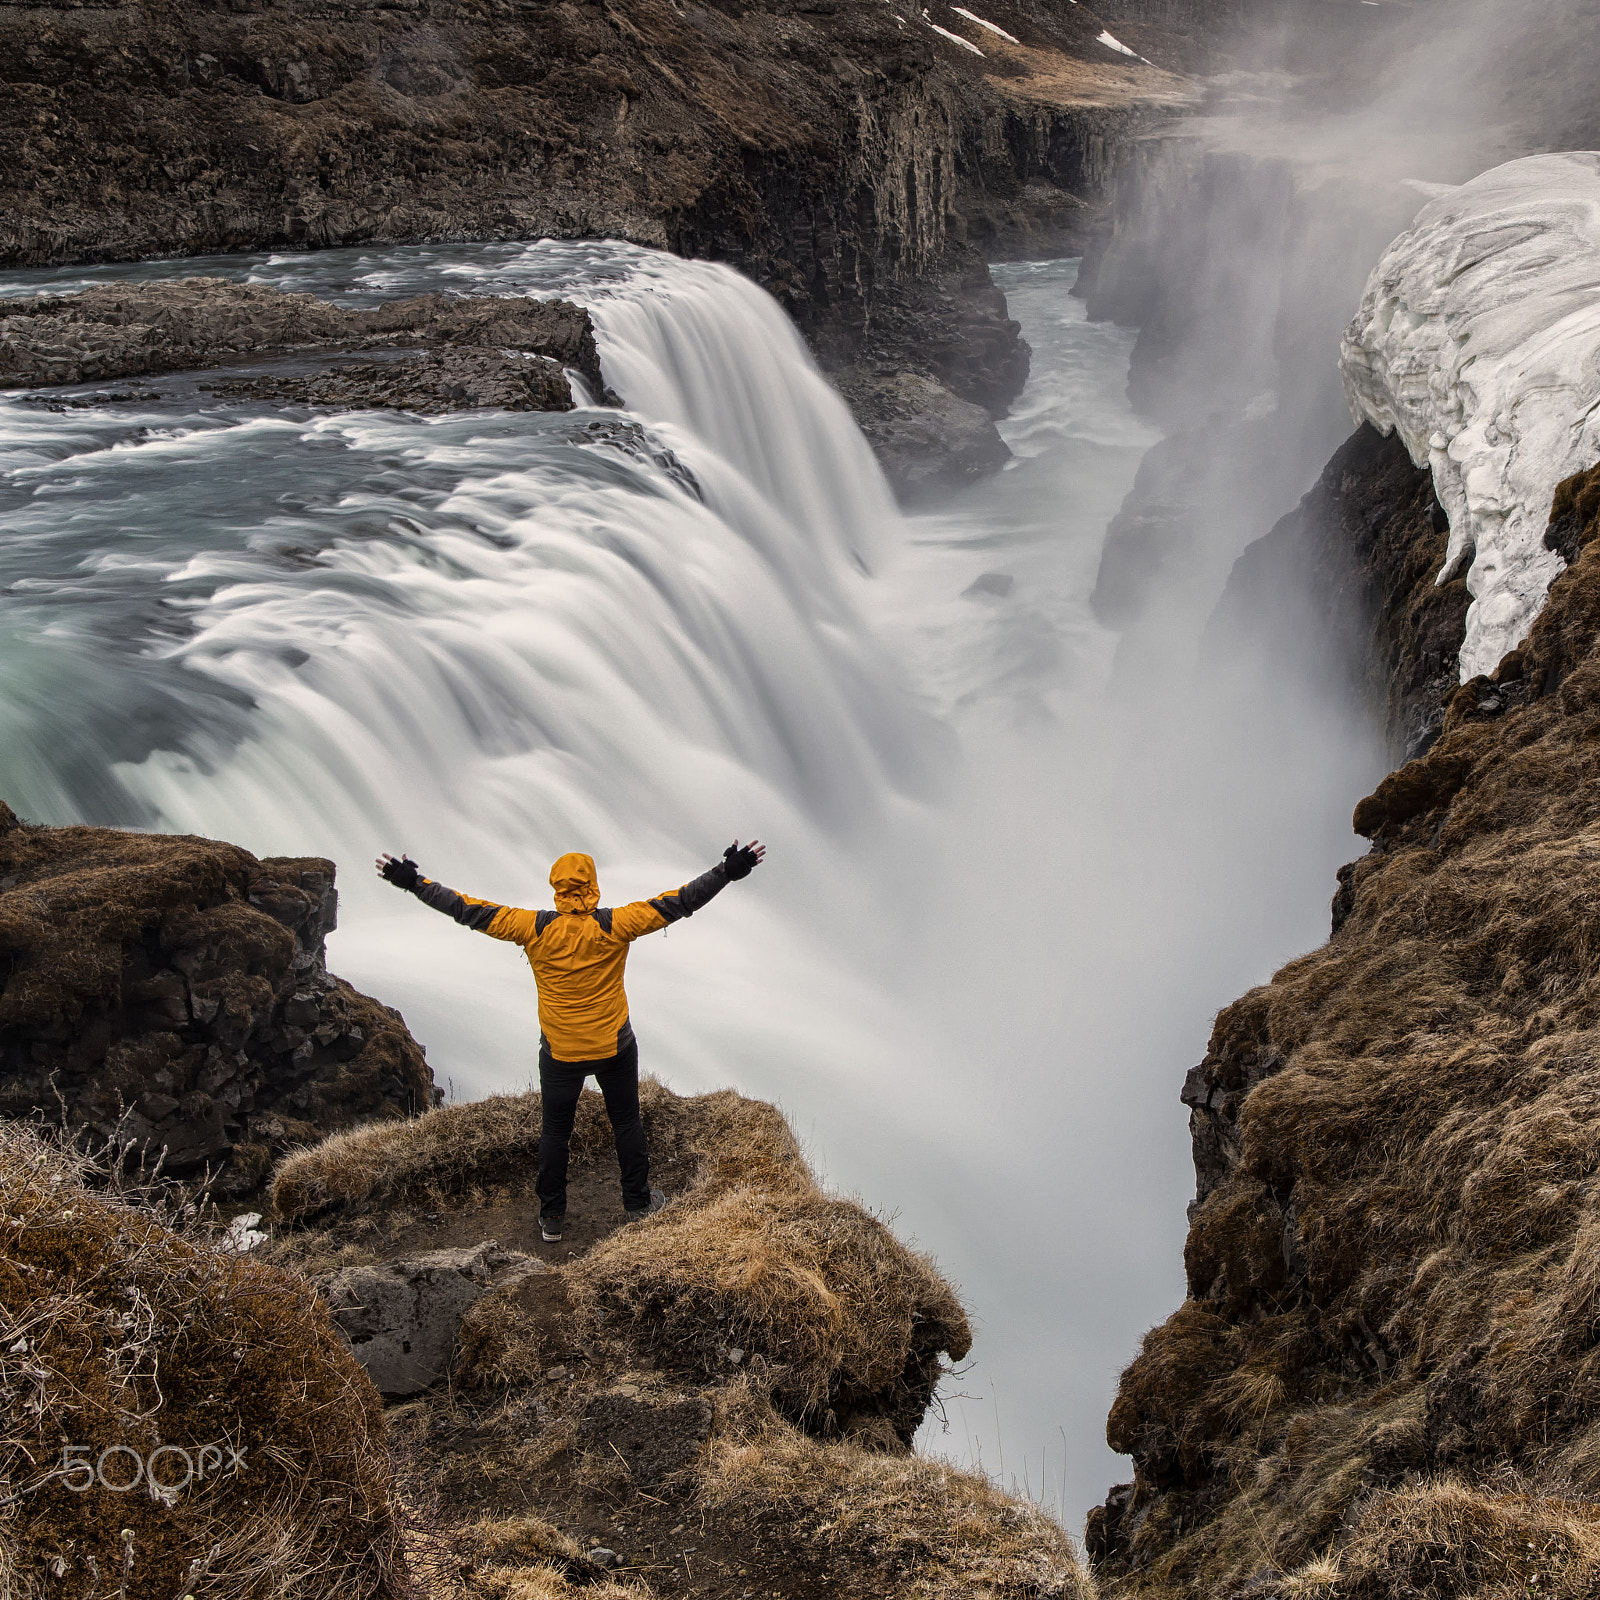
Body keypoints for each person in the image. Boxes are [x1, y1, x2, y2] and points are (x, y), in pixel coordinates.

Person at [375, 841, 765, 1242]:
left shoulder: (531, 927)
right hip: (613, 1044)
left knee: (555, 1132)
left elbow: (466, 909)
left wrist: (413, 883)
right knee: (626, 1122)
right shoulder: (618, 923)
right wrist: (727, 871)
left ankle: (552, 1218)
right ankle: (637, 1203)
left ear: (557, 890)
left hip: (560, 1051)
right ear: (593, 885)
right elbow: (681, 902)